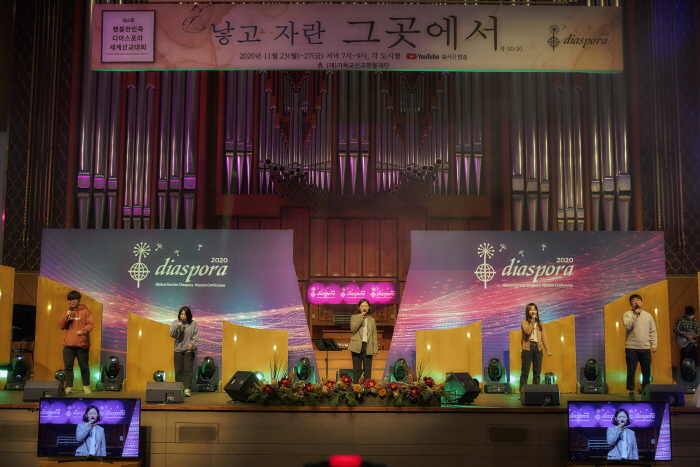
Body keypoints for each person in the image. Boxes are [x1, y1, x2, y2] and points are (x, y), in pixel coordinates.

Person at [58, 290, 94, 395]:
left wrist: (83, 331)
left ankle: (86, 386)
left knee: (84, 367)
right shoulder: (67, 312)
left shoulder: (86, 311)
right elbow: (61, 326)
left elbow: (90, 324)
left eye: (73, 299)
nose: (71, 301)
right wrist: (66, 317)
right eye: (70, 300)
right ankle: (69, 387)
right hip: (68, 345)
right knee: (68, 367)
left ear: (78, 300)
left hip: (82, 345)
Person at [623, 294, 657, 400]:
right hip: (631, 347)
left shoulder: (648, 315)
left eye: (638, 300)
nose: (636, 302)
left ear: (642, 302)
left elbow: (653, 331)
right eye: (633, 301)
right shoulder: (627, 314)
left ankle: (646, 391)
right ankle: (631, 391)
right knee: (631, 370)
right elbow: (628, 326)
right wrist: (636, 315)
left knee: (646, 371)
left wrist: (654, 344)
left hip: (645, 347)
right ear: (631, 303)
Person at [520, 303, 551, 392]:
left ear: (537, 311)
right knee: (525, 372)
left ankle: (536, 392)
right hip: (527, 348)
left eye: (534, 309)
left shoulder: (540, 324)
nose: (533, 311)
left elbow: (544, 338)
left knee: (537, 372)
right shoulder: (524, 322)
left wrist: (548, 350)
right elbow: (527, 332)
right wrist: (532, 321)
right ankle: (522, 393)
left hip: (538, 348)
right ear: (527, 312)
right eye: (531, 310)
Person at [169, 306, 199, 397]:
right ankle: (179, 388)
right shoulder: (175, 322)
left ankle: (187, 389)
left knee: (188, 370)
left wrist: (192, 344)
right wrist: (178, 326)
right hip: (178, 350)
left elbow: (195, 336)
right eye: (181, 314)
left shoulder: (193, 324)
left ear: (188, 315)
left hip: (188, 351)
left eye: (185, 314)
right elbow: (172, 334)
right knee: (178, 370)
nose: (183, 316)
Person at [348, 299, 378, 383]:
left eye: (366, 306)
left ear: (369, 308)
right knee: (357, 370)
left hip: (368, 346)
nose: (364, 307)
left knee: (367, 370)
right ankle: (356, 387)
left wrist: (375, 349)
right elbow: (353, 328)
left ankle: (367, 387)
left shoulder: (372, 320)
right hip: (356, 346)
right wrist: (361, 318)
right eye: (362, 306)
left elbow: (374, 335)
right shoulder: (354, 317)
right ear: (359, 308)